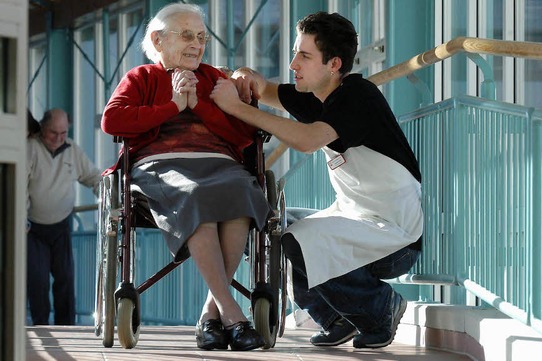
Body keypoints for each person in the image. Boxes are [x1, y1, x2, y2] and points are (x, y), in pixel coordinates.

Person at [211, 11, 424, 349]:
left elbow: (308, 139)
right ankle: (337, 317)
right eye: (295, 53)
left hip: (393, 238)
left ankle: (378, 308)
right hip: (354, 223)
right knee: (268, 224)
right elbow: (264, 89)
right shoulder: (318, 95)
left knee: (295, 239)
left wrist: (236, 109)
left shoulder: (357, 95)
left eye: (305, 56)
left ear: (334, 64)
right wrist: (241, 77)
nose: (294, 63)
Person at [101, 3, 270, 351]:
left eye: (202, 37)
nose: (197, 44)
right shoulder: (141, 78)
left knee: (241, 191)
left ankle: (213, 313)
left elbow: (244, 134)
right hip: (162, 165)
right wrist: (174, 106)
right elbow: (112, 122)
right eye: (187, 35)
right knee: (195, 197)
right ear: (158, 40)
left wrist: (199, 105)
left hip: (221, 164)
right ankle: (233, 317)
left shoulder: (214, 78)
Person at [26, 108, 102, 325]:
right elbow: (19, 185)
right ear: (42, 128)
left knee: (65, 279)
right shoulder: (31, 148)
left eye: (63, 133)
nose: (58, 138)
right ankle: (41, 325)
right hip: (33, 228)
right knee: (38, 280)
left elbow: (92, 176)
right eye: (53, 133)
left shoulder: (72, 150)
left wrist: (106, 194)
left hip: (61, 225)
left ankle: (67, 327)